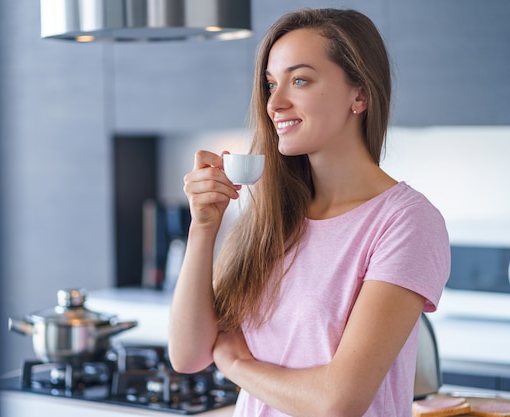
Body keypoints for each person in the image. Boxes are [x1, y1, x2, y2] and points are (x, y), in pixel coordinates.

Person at [168, 7, 450, 417]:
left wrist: (235, 363)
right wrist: (203, 227)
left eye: (299, 80)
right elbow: (188, 356)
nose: (275, 103)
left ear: (360, 95)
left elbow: (338, 402)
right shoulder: (272, 217)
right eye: (270, 84)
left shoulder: (405, 221)